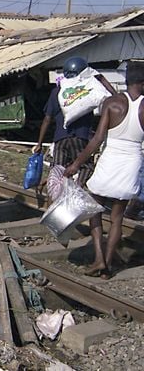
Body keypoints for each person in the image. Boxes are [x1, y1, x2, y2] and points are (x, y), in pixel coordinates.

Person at [64, 61, 144, 279]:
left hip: (110, 160)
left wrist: (76, 164)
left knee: (95, 211)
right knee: (117, 218)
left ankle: (99, 258)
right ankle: (107, 268)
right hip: (131, 162)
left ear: (127, 80)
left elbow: (97, 139)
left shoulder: (113, 102)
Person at [33, 56, 116, 187]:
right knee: (85, 167)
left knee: (56, 171)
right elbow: (114, 96)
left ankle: (54, 199)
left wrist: (39, 143)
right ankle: (77, 190)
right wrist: (99, 77)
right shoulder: (88, 91)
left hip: (60, 139)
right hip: (80, 138)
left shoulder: (57, 92)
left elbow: (47, 119)